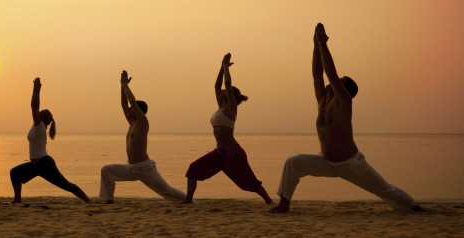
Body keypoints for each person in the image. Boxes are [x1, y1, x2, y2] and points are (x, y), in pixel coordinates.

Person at [269, 23, 423, 213]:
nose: (331, 83)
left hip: (351, 165)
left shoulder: (344, 102)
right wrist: (315, 46)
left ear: (344, 91)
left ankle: (415, 208)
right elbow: (317, 75)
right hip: (326, 162)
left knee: (386, 190)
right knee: (293, 163)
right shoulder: (323, 100)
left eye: (339, 83)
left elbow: (330, 73)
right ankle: (284, 205)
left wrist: (323, 44)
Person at [183, 53, 273, 204]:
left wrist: (226, 67)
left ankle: (269, 201)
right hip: (219, 153)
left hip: (233, 153)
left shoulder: (231, 108)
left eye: (225, 91)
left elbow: (227, 85)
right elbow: (217, 86)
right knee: (193, 170)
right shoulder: (220, 107)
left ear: (231, 95)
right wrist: (221, 67)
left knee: (249, 182)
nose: (221, 92)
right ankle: (188, 201)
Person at [99, 70, 190, 204]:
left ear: (138, 111)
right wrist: (121, 85)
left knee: (167, 191)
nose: (129, 110)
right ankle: (109, 200)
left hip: (144, 168)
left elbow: (132, 102)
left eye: (132, 109)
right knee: (106, 170)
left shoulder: (142, 122)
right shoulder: (132, 123)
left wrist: (126, 85)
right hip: (131, 168)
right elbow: (124, 104)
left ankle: (191, 202)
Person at [10, 77, 90, 203]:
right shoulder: (39, 126)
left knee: (65, 185)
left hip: (45, 165)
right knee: (15, 173)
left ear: (41, 117)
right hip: (36, 165)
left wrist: (36, 88)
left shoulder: (39, 126)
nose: (36, 113)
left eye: (39, 113)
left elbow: (34, 105)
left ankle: (88, 201)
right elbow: (35, 107)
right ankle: (17, 200)